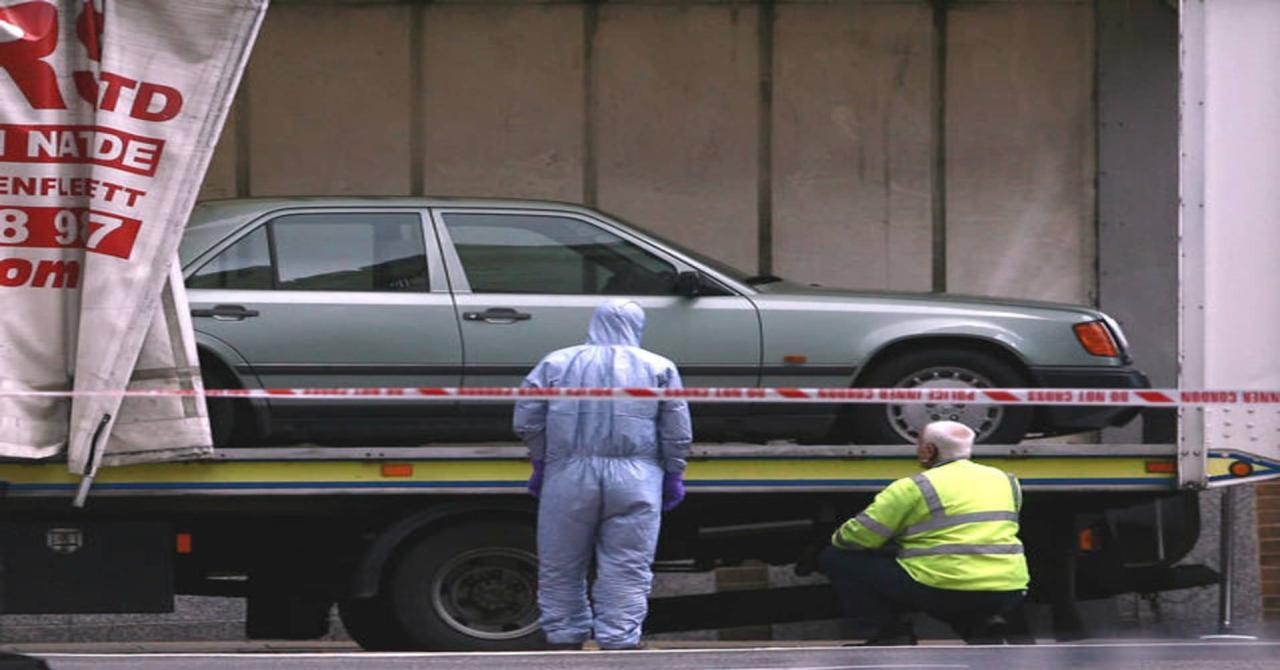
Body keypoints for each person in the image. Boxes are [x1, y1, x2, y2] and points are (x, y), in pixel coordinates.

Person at [513, 300, 693, 651]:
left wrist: (542, 462)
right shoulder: (659, 367)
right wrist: (673, 473)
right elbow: (677, 430)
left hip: (567, 474)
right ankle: (619, 640)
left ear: (594, 322)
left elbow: (526, 420)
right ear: (638, 326)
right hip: (637, 476)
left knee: (561, 562)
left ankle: (564, 636)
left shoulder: (557, 362)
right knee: (627, 564)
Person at [819, 420, 1028, 645]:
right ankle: (981, 626)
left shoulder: (915, 486)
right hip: (1009, 588)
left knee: (837, 558)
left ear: (930, 450)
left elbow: (859, 537)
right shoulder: (1007, 481)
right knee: (946, 581)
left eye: (919, 445)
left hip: (945, 586)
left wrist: (835, 538)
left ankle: (891, 633)